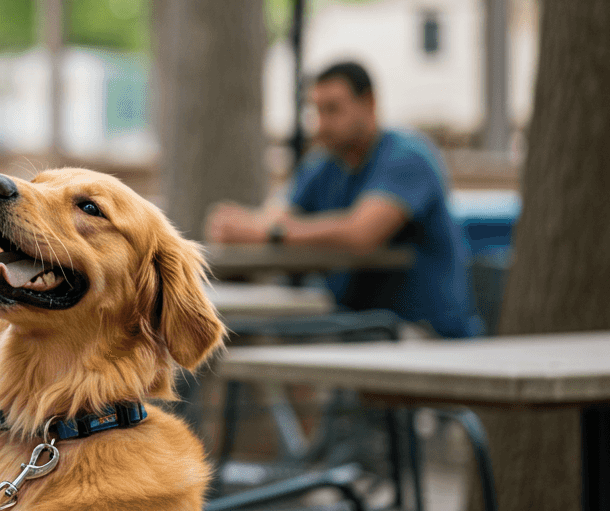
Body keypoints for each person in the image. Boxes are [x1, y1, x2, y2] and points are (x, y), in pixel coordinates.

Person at [205, 61, 480, 338]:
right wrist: (243, 225)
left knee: (283, 340)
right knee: (250, 335)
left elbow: (361, 233)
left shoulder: (407, 157)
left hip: (421, 332)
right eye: (317, 111)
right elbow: (274, 216)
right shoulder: (324, 165)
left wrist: (269, 232)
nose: (321, 124)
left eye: (333, 109)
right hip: (357, 326)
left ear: (369, 103)